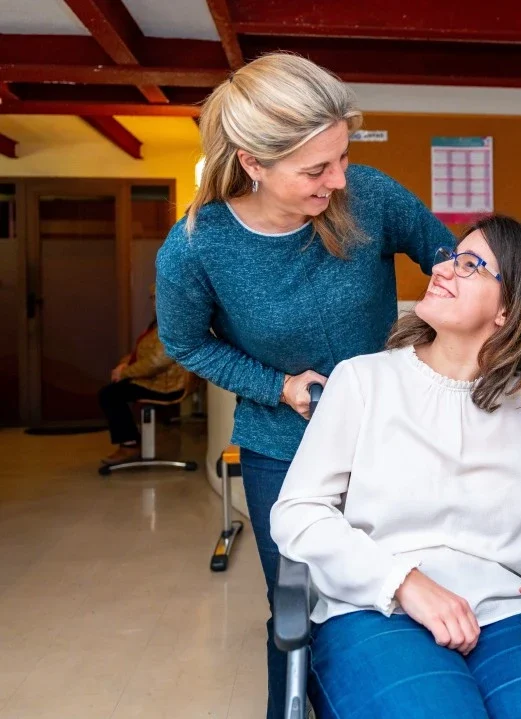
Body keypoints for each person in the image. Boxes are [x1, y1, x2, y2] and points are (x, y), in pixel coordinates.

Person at [154, 52, 454, 718]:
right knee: (298, 603)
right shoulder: (195, 248)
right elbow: (185, 342)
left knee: (397, 593)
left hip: (392, 437)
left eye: (341, 157)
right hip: (281, 446)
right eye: (317, 168)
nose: (338, 178)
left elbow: (451, 261)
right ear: (252, 163)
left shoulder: (366, 196)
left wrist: (450, 343)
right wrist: (276, 384)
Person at [270, 215, 521, 719]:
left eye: (470, 265)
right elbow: (297, 512)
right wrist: (405, 582)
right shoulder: (363, 382)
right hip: (378, 609)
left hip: (513, 613)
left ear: (509, 310)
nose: (442, 269)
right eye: (449, 257)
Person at [98, 285, 186, 465]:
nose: (155, 302)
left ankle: (129, 444)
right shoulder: (160, 322)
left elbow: (157, 362)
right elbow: (142, 352)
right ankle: (130, 442)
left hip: (166, 385)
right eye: (152, 298)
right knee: (112, 392)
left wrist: (125, 373)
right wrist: (124, 364)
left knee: (110, 395)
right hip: (156, 380)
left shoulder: (174, 324)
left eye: (158, 297)